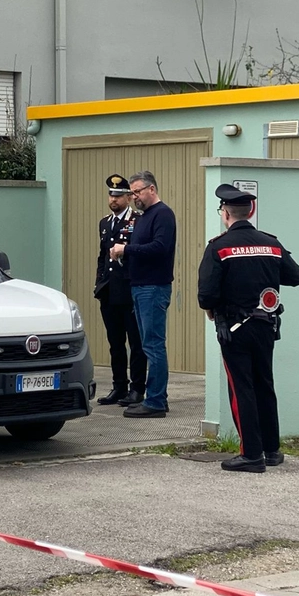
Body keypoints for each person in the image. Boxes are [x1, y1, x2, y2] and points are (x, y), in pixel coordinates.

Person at [197, 184, 299, 473]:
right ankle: (272, 450)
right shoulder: (270, 243)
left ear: (225, 213)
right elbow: (296, 276)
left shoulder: (219, 247)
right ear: (251, 211)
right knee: (264, 385)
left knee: (242, 387)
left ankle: (251, 455)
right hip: (266, 325)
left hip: (234, 327)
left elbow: (206, 295)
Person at [110, 171, 176, 418]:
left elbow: (159, 248)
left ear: (152, 189)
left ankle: (156, 401)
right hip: (139, 286)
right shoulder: (145, 217)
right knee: (147, 343)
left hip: (153, 287)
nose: (134, 196)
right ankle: (157, 397)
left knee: (153, 345)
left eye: (137, 191)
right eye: (132, 192)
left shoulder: (163, 214)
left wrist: (126, 249)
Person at [94, 173, 146, 406]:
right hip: (109, 291)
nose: (113, 200)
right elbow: (102, 256)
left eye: (118, 196)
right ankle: (119, 387)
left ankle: (137, 388)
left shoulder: (138, 220)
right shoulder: (105, 223)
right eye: (111, 195)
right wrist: (99, 282)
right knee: (115, 342)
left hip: (129, 289)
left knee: (135, 342)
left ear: (127, 196)